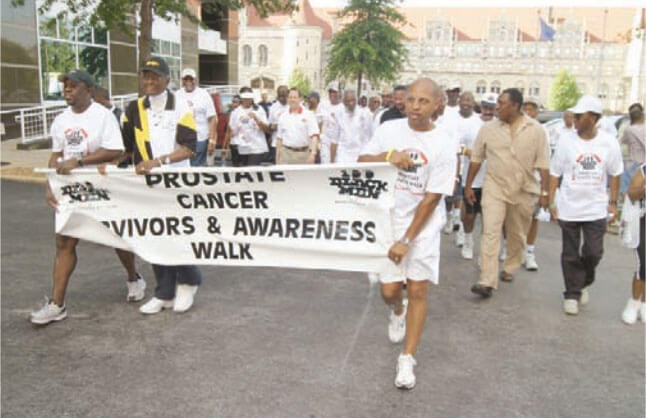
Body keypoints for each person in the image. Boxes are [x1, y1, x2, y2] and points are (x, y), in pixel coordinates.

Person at [359, 78, 457, 390]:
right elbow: (361, 162)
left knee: (418, 290)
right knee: (389, 292)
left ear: (437, 105)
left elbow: (432, 197)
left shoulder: (445, 143)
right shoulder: (390, 130)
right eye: (411, 99)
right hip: (388, 221)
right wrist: (388, 156)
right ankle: (397, 312)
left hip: (423, 226)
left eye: (423, 101)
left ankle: (407, 358)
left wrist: (407, 240)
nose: (415, 106)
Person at [30, 70, 140, 325]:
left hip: (101, 185)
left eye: (73, 85)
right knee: (64, 243)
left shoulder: (103, 116)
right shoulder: (60, 120)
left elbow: (115, 150)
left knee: (116, 237)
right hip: (71, 188)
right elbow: (56, 155)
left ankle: (134, 278)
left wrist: (79, 161)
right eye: (65, 86)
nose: (67, 89)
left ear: (88, 90)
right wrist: (50, 184)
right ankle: (57, 304)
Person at [121, 57, 203, 315]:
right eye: (145, 76)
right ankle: (164, 292)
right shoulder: (133, 108)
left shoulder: (180, 105)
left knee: (176, 233)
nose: (149, 81)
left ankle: (190, 280)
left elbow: (190, 148)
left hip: (176, 183)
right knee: (154, 234)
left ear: (167, 80)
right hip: (147, 185)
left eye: (155, 77)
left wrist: (159, 161)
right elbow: (126, 149)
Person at [466, 88, 550, 298]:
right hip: (494, 187)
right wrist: (468, 186)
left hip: (524, 189)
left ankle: (510, 266)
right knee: (490, 231)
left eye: (502, 103)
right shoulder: (488, 129)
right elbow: (476, 158)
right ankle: (487, 280)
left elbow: (543, 164)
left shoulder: (536, 130)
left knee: (516, 234)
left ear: (515, 106)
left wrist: (546, 192)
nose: (497, 107)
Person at [547, 95, 623, 315]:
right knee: (570, 252)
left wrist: (613, 204)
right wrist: (552, 202)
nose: (575, 119)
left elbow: (615, 173)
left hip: (596, 207)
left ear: (593, 118)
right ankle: (571, 293)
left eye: (580, 116)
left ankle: (583, 281)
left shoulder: (608, 142)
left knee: (593, 252)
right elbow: (555, 172)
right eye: (574, 115)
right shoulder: (566, 140)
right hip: (569, 205)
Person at [458, 93, 496, 260]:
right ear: (481, 107)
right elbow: (458, 146)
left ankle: (485, 252)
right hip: (472, 178)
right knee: (470, 215)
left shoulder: (500, 125)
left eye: (492, 107)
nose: (488, 110)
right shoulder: (470, 124)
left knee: (489, 219)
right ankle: (467, 239)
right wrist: (470, 153)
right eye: (486, 106)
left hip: (493, 180)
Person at [520, 98, 551, 271]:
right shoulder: (514, 128)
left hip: (535, 181)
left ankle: (529, 252)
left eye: (532, 109)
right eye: (525, 109)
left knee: (533, 218)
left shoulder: (542, 132)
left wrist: (545, 191)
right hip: (516, 181)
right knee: (511, 218)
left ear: (537, 113)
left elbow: (545, 162)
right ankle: (510, 247)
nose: (528, 113)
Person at [176, 68, 217, 167]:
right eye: (186, 79)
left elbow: (212, 118)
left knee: (197, 168)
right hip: (182, 140)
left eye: (191, 79)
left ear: (195, 80)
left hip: (200, 138)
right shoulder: (177, 95)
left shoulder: (203, 94)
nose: (189, 82)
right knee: (183, 168)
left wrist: (212, 140)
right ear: (182, 81)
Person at [621, 165, 646, 323]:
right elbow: (631, 193)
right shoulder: (644, 169)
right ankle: (633, 304)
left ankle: (644, 304)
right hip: (643, 220)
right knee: (644, 262)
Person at [275, 88, 320, 164]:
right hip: (286, 155)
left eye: (295, 97)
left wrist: (313, 154)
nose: (292, 100)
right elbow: (279, 139)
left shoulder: (309, 115)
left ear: (300, 99)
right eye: (290, 97)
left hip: (303, 154)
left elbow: (315, 137)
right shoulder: (283, 116)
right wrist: (277, 158)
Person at [329, 90, 373, 164]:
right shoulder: (338, 114)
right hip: (343, 156)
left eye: (353, 100)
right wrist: (332, 161)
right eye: (347, 101)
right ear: (343, 102)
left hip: (360, 154)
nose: (350, 103)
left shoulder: (365, 114)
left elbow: (369, 138)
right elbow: (334, 140)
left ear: (356, 100)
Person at [229, 87, 270, 166]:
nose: (247, 100)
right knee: (245, 172)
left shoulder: (259, 109)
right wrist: (239, 124)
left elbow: (267, 130)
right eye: (245, 97)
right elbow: (232, 133)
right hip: (243, 147)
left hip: (257, 147)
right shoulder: (236, 112)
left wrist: (256, 119)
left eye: (249, 97)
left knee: (252, 168)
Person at [620, 103, 645, 195]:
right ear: (642, 115)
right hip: (644, 164)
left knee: (627, 192)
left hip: (633, 164)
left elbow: (623, 141)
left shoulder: (628, 129)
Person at [318, 82, 343, 164]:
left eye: (335, 92)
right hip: (325, 142)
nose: (332, 94)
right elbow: (319, 122)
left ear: (340, 93)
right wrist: (319, 139)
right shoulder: (323, 105)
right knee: (325, 166)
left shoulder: (343, 108)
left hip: (339, 143)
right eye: (331, 92)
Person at [268, 85, 289, 163]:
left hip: (290, 144)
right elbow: (269, 126)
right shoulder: (273, 107)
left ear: (288, 94)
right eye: (280, 96)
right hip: (276, 144)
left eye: (284, 96)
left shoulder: (293, 105)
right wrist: (275, 127)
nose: (282, 98)